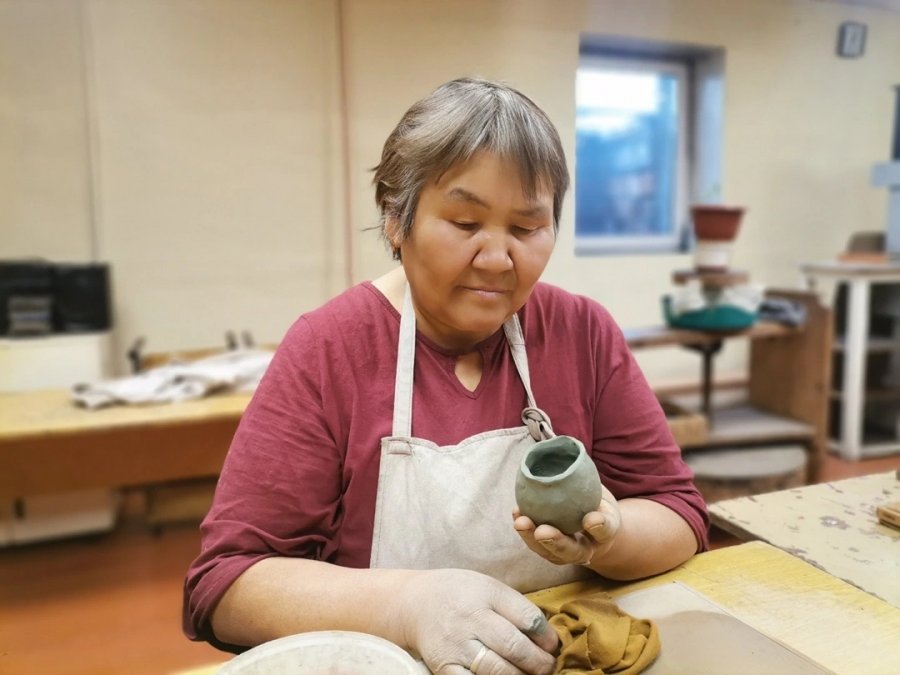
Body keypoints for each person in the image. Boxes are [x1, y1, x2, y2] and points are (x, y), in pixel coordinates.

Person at [183, 76, 708, 675]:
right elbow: (226, 586)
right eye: (464, 224)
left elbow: (680, 513)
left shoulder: (581, 332)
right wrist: (408, 605)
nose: (497, 258)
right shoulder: (329, 349)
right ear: (395, 221)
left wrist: (611, 538)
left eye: (526, 228)